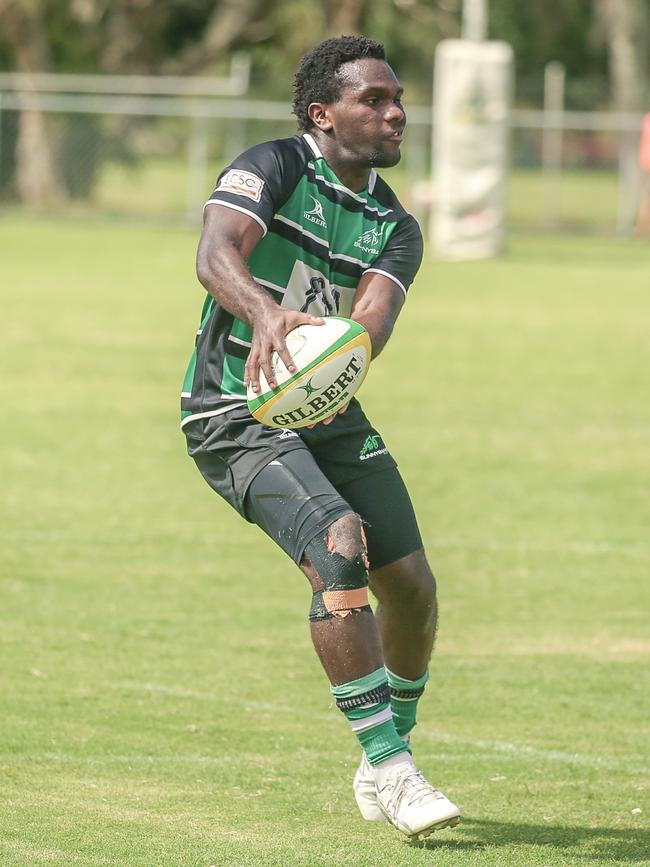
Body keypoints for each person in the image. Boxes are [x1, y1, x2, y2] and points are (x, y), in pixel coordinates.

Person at [180, 35, 460, 841]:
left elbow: (371, 322)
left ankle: (387, 753)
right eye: (373, 100)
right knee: (340, 541)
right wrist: (267, 314)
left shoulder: (396, 227)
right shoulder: (272, 166)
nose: (396, 111)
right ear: (323, 113)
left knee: (411, 583)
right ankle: (394, 768)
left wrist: (340, 351)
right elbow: (214, 251)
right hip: (233, 409)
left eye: (398, 97)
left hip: (326, 404)